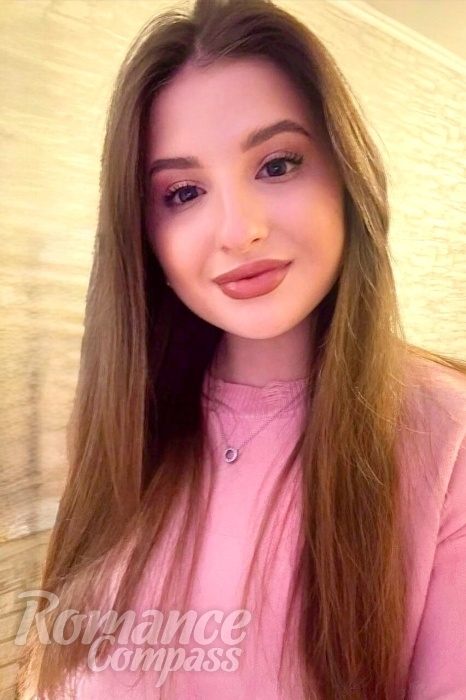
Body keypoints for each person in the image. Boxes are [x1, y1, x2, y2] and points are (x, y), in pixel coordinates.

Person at [17, 0, 466, 698]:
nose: (238, 230)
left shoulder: (443, 432)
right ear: (143, 233)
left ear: (347, 176)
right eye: (184, 192)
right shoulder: (121, 419)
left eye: (277, 164)